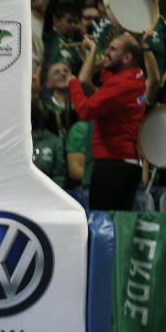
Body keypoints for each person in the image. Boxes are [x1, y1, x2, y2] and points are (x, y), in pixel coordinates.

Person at [68, 33, 146, 211]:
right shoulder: (135, 75)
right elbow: (97, 80)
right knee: (117, 224)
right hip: (124, 164)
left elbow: (85, 110)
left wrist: (72, 83)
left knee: (103, 224)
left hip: (113, 165)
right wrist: (91, 55)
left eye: (113, 49)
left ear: (127, 57)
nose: (107, 52)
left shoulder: (122, 86)